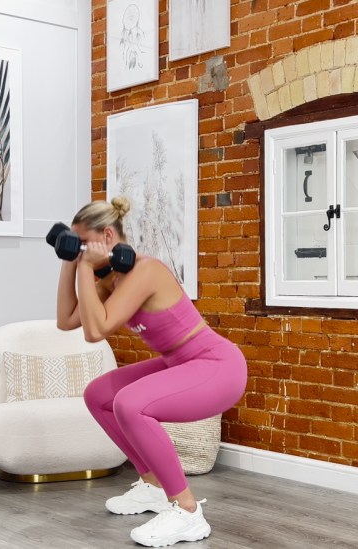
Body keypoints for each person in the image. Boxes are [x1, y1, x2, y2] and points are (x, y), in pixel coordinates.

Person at [55, 197, 248, 547]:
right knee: (99, 395)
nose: (82, 252)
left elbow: (95, 331)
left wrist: (83, 267)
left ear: (108, 235)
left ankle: (187, 512)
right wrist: (70, 262)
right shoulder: (112, 278)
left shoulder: (146, 271)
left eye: (84, 243)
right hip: (179, 361)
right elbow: (66, 320)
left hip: (216, 366)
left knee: (130, 403)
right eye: (78, 244)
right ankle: (153, 487)